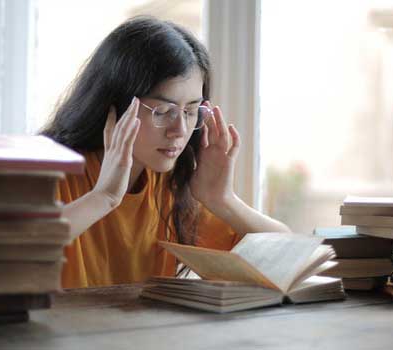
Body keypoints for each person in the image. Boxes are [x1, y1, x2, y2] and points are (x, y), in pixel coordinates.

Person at [42, 16, 290, 288]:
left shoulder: (169, 185)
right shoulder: (52, 172)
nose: (179, 130)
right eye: (162, 112)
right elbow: (11, 249)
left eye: (191, 111)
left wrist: (221, 199)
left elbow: (287, 256)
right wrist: (104, 196)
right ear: (114, 107)